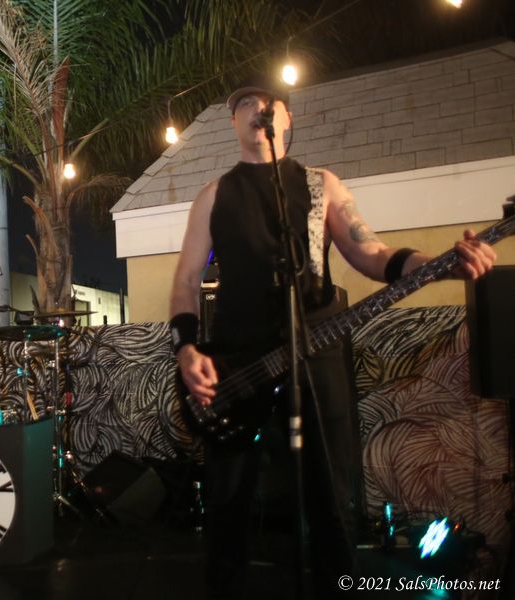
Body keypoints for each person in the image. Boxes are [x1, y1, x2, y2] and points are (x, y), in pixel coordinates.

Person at [169, 80, 497, 599]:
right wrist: (187, 349)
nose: (257, 110)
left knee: (332, 499)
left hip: (317, 352)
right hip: (236, 364)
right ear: (233, 123)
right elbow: (186, 280)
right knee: (229, 504)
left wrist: (439, 265)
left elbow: (372, 254)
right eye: (245, 105)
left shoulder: (321, 186)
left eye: (267, 103)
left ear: (287, 118)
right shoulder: (214, 195)